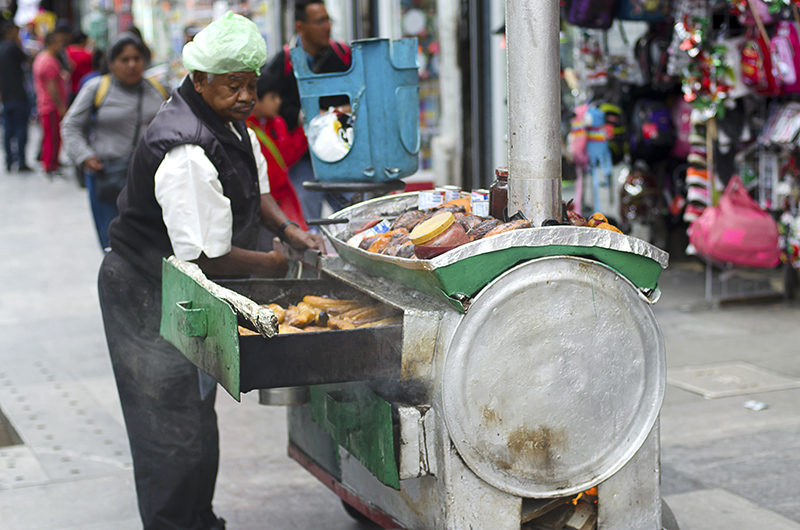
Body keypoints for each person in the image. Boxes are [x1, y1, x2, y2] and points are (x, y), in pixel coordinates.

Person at [97, 12, 324, 530]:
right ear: (199, 80)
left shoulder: (227, 122)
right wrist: (270, 263)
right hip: (143, 291)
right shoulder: (185, 150)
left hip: (183, 288)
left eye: (251, 84)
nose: (246, 96)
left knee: (197, 413)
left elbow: (259, 190)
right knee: (166, 422)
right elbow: (205, 256)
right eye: (233, 85)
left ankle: (200, 519)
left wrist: (288, 230)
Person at [62, 33, 167, 249]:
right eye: (124, 59)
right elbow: (70, 125)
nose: (132, 65)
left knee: (151, 242)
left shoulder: (157, 88)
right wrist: (85, 156)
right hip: (109, 175)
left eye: (137, 58)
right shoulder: (97, 88)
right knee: (114, 243)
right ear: (111, 62)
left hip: (151, 178)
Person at [263, 0, 352, 223]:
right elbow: (272, 105)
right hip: (302, 161)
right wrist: (308, 116)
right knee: (307, 226)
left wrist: (341, 112)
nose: (327, 27)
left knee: (355, 219)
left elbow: (362, 94)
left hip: (344, 158)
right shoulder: (284, 62)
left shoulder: (343, 55)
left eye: (328, 20)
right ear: (300, 27)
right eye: (319, 21)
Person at [246, 69, 309, 231]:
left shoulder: (277, 123)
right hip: (262, 202)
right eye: (272, 97)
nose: (279, 102)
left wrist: (305, 131)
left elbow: (288, 155)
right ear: (255, 99)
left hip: (284, 198)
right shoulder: (244, 128)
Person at [32, 31, 67, 178]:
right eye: (59, 42)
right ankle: (51, 167)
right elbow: (52, 86)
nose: (61, 46)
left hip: (45, 104)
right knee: (52, 138)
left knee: (49, 136)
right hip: (50, 105)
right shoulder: (49, 61)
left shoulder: (42, 58)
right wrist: (60, 105)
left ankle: (52, 163)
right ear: (52, 43)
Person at [0, 21, 32, 172]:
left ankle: (8, 161)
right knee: (20, 130)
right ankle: (21, 161)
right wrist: (20, 45)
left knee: (8, 129)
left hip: (6, 96)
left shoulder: (1, 48)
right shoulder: (13, 47)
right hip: (18, 95)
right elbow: (28, 61)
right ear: (11, 32)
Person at [65, 29, 92, 102]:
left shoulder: (67, 51)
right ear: (84, 41)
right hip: (84, 87)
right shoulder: (88, 55)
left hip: (69, 88)